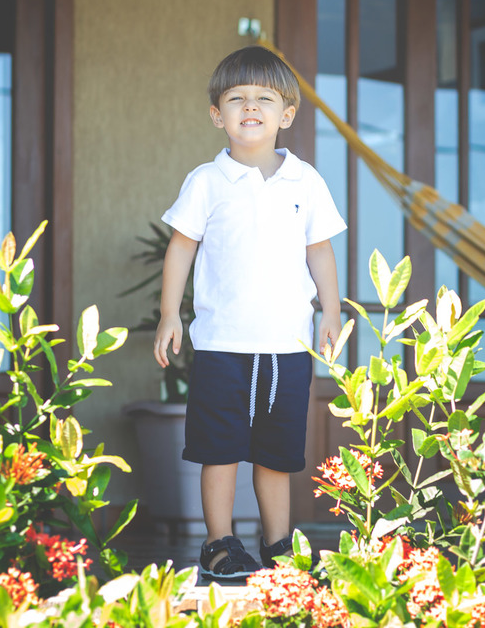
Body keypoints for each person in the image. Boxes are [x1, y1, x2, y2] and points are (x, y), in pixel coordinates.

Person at [153, 46, 345, 583]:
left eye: (265, 97)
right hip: (221, 346)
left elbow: (320, 251)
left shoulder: (305, 182)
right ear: (218, 115)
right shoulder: (206, 182)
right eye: (237, 98)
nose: (251, 106)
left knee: (276, 454)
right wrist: (171, 313)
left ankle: (278, 546)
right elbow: (181, 248)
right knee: (219, 451)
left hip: (288, 344)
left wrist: (330, 309)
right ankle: (219, 545)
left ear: (286, 114)